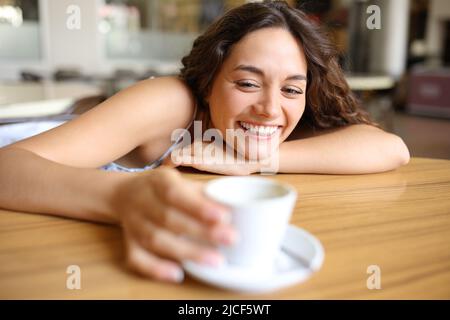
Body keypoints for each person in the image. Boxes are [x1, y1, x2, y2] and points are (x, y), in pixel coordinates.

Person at [0, 1, 409, 283]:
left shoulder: (261, 127)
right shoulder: (170, 102)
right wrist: (124, 197)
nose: (269, 109)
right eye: (248, 83)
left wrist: (261, 160)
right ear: (209, 81)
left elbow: (392, 148)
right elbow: (7, 168)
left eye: (291, 90)